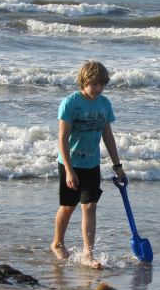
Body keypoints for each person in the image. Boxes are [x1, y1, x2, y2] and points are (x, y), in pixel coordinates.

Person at [51, 60, 125, 269]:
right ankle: (57, 243)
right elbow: (62, 139)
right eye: (94, 84)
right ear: (83, 82)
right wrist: (68, 170)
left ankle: (87, 253)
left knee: (90, 206)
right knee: (67, 207)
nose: (98, 88)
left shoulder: (104, 104)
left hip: (92, 163)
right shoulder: (70, 103)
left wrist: (117, 165)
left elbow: (108, 136)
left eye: (102, 84)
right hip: (71, 164)